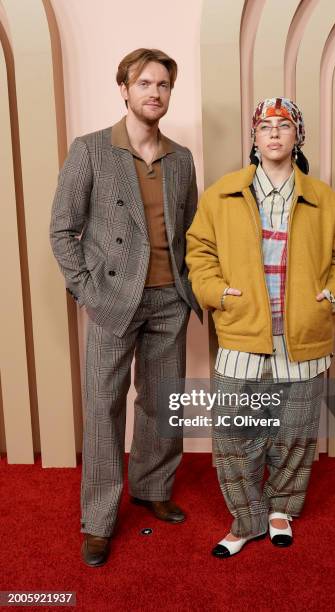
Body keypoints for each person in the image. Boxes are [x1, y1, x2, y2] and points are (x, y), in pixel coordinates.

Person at [186, 97, 335, 558]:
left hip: (303, 338)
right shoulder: (223, 194)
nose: (275, 133)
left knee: (295, 434)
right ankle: (247, 520)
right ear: (255, 138)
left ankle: (281, 510)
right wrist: (218, 294)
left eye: (285, 125)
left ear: (297, 136)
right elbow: (198, 252)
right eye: (265, 126)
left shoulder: (325, 200)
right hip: (243, 334)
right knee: (234, 434)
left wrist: (332, 297)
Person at [50, 48, 202, 567]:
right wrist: (88, 291)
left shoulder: (180, 158)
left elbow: (192, 232)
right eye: (144, 84)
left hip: (168, 301)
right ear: (124, 90)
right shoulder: (91, 150)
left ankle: (152, 487)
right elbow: (62, 230)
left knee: (161, 403)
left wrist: (191, 289)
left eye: (162, 85)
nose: (154, 93)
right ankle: (98, 519)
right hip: (113, 300)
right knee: (103, 408)